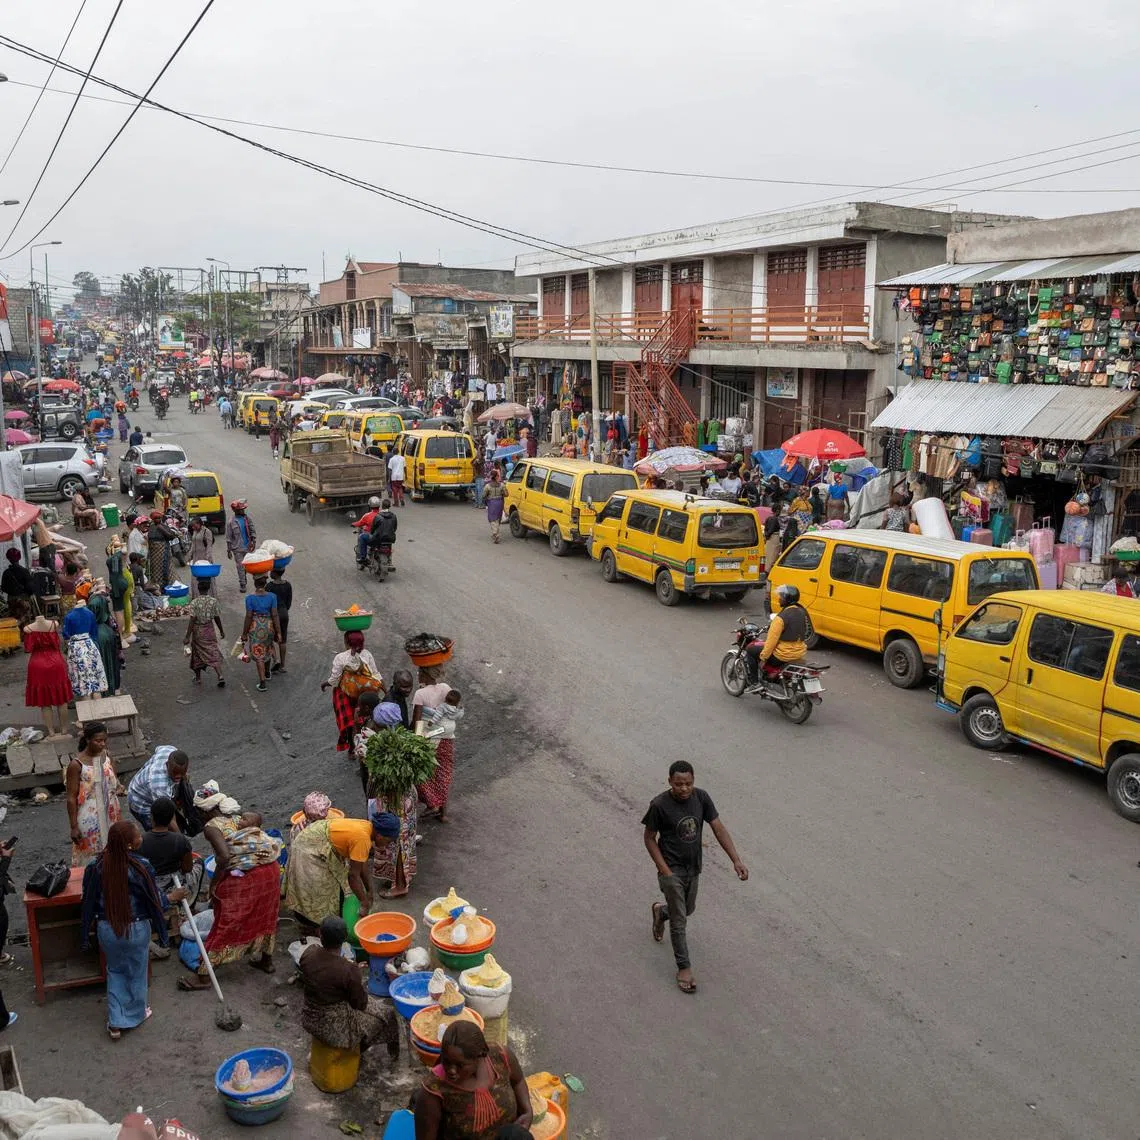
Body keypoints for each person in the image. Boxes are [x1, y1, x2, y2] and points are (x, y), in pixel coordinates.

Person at [644, 760, 747, 994]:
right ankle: (684, 967)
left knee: (687, 909)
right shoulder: (659, 805)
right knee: (680, 920)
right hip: (671, 870)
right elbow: (649, 838)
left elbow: (718, 828)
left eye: (688, 783)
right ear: (670, 781)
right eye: (678, 784)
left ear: (694, 781)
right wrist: (665, 871)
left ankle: (661, 912)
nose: (684, 789)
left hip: (693, 867)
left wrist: (736, 860)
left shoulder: (701, 798)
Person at [177, 783, 277, 989]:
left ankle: (205, 976)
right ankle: (266, 961)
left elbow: (223, 857)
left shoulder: (211, 827)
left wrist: (215, 885)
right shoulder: (237, 815)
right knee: (266, 913)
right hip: (269, 869)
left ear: (203, 811)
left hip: (247, 877)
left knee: (226, 921)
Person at [80, 821, 174, 1040]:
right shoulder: (141, 866)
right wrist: (170, 899)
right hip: (136, 928)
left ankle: (116, 1022)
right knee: (137, 970)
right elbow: (153, 898)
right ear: (130, 845)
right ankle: (135, 1013)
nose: (141, 838)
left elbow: (88, 899)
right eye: (138, 836)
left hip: (107, 928)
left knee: (115, 970)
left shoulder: (96, 866)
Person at [299, 916, 399, 1061]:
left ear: (320, 934)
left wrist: (348, 968)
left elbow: (324, 972)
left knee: (374, 1008)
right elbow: (359, 1004)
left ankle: (350, 1050)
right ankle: (362, 1051)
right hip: (335, 1027)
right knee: (388, 1015)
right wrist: (353, 973)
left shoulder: (308, 953)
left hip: (310, 1017)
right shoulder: (348, 970)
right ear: (344, 938)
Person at [415, 1021, 533, 1140]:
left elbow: (518, 1081)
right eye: (446, 1061)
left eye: (460, 1065)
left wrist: (527, 1111)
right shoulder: (434, 1089)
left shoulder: (500, 1056)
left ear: (480, 1056)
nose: (451, 1070)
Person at [285, 812, 393, 931]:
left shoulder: (367, 828)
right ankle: (314, 924)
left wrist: (369, 891)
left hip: (318, 837)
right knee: (316, 888)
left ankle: (325, 922)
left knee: (335, 884)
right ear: (380, 836)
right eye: (388, 841)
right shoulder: (363, 838)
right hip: (309, 845)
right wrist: (364, 902)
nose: (388, 845)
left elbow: (362, 863)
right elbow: (353, 876)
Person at [66, 721, 122, 867]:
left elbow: (115, 781)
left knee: (113, 854)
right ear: (87, 740)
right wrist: (73, 827)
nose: (102, 744)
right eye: (98, 740)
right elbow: (71, 798)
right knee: (91, 859)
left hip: (111, 814)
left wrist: (120, 787)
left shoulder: (107, 756)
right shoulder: (76, 765)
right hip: (89, 819)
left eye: (104, 740)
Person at [322, 631, 381, 750]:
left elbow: (335, 680)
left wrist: (324, 684)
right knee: (366, 717)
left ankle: (351, 747)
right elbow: (375, 674)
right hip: (364, 692)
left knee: (349, 721)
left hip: (345, 694)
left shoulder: (340, 657)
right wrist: (383, 688)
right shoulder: (367, 655)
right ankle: (368, 742)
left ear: (346, 642)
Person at [411, 667, 455, 822]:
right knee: (443, 774)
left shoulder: (420, 694)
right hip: (446, 738)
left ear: (424, 674)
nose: (417, 675)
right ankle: (442, 813)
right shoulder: (445, 688)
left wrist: (413, 738)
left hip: (429, 739)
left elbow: (417, 721)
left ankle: (432, 804)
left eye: (419, 672)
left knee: (423, 774)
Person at [746, 583, 809, 685]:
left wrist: (763, 658)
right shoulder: (802, 613)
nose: (779, 598)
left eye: (781, 596)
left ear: (787, 599)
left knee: (750, 650)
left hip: (782, 656)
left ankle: (754, 683)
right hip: (800, 653)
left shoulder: (780, 619)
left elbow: (771, 642)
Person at [23, 612, 72, 737]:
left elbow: (28, 648)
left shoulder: (28, 629)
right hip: (56, 662)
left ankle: (51, 731)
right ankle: (64, 729)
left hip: (37, 664)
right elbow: (57, 643)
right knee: (62, 699)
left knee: (45, 701)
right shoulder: (53, 625)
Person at [127, 746, 191, 832]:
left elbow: (158, 748)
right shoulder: (160, 785)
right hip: (140, 803)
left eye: (182, 772)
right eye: (175, 772)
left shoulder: (168, 750)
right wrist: (180, 840)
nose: (178, 776)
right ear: (167, 764)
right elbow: (169, 817)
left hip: (142, 784)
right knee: (160, 832)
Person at [62, 597, 108, 697]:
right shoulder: (90, 614)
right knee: (95, 682)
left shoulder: (69, 616)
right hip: (90, 646)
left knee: (83, 684)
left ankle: (86, 709)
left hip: (76, 649)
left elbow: (66, 634)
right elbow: (94, 632)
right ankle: (99, 710)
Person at [241, 574, 280, 692]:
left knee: (259, 655)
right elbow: (275, 615)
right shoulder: (272, 597)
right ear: (265, 583)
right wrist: (278, 632)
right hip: (269, 626)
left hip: (255, 627)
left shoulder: (250, 598)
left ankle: (262, 682)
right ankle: (267, 673)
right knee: (267, 648)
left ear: (254, 583)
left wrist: (244, 633)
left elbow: (248, 616)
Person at [185, 578, 226, 686]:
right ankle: (220, 675)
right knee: (213, 651)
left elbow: (192, 620)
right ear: (208, 589)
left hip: (198, 632)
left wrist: (187, 636)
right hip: (209, 630)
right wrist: (221, 630)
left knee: (197, 654)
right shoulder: (213, 601)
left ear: (198, 589)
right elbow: (217, 618)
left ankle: (198, 678)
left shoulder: (194, 602)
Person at [88, 594, 121, 696]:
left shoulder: (94, 633)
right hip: (109, 640)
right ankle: (114, 687)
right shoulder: (109, 628)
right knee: (112, 662)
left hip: (100, 641)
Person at [225, 500, 257, 591]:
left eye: (243, 509)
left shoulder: (247, 519)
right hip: (237, 549)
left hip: (247, 547)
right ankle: (242, 583)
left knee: (248, 565)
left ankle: (247, 578)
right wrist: (229, 550)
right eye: (241, 509)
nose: (243, 511)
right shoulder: (231, 522)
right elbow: (228, 537)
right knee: (240, 566)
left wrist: (254, 541)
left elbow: (252, 529)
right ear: (235, 510)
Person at [1, 549, 35, 627]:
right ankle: (25, 637)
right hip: (24, 601)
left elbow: (3, 588)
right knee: (25, 621)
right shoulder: (24, 571)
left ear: (8, 558)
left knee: (14, 620)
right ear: (19, 557)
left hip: (12, 601)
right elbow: (30, 588)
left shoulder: (6, 573)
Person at [146, 511, 178, 590]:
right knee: (155, 569)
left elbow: (171, 536)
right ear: (153, 519)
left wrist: (161, 529)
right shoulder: (151, 527)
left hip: (163, 551)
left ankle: (169, 586)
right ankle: (158, 587)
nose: (158, 520)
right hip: (154, 553)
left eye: (159, 518)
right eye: (156, 518)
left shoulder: (164, 527)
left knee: (167, 568)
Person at [368, 498, 398, 570]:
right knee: (389, 546)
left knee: (372, 544)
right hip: (390, 538)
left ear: (382, 506)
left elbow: (373, 528)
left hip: (379, 538)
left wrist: (372, 533)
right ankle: (389, 561)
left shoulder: (378, 516)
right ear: (389, 506)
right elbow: (395, 527)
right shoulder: (394, 516)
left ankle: (370, 555)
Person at [353, 497, 382, 567]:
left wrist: (353, 524)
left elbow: (360, 523)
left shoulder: (367, 515)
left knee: (361, 537)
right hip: (384, 537)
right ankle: (389, 560)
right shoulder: (384, 514)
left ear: (370, 506)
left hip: (373, 537)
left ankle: (363, 558)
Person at [482, 468, 505, 544]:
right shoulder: (502, 485)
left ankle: (495, 533)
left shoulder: (487, 486)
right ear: (496, 476)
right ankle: (496, 534)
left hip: (491, 503)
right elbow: (506, 494)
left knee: (492, 519)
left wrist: (485, 501)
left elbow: (484, 495)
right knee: (498, 518)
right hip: (500, 502)